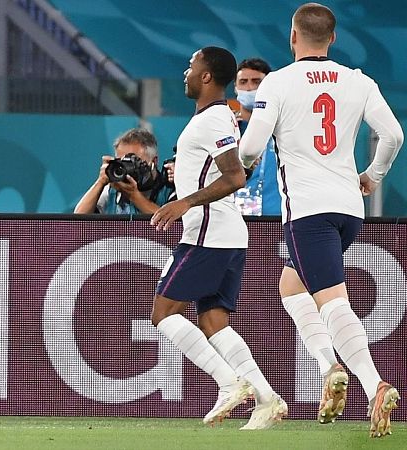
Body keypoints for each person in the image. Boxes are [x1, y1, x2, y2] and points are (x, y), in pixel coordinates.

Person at [238, 3, 403, 438]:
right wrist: (372, 175)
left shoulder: (278, 82)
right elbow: (394, 135)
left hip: (307, 213)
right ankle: (328, 367)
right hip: (349, 209)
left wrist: (239, 162)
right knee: (291, 286)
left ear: (293, 38)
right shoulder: (358, 80)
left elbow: (251, 146)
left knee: (332, 301)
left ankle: (373, 384)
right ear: (332, 39)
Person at [150, 46, 287, 430]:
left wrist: (184, 202)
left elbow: (234, 177)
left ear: (207, 76)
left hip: (209, 232)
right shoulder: (217, 117)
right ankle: (267, 398)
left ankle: (229, 383)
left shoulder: (212, 119)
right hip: (225, 232)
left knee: (163, 313)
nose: (186, 72)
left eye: (192, 66)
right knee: (213, 320)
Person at [74, 128, 174, 215]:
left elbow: (173, 227)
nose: (127, 167)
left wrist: (133, 196)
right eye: (122, 162)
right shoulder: (112, 189)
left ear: (154, 161)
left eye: (134, 160)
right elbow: (78, 221)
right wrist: (100, 182)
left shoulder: (169, 188)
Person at [233, 58, 281, 216]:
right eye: (243, 82)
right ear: (235, 88)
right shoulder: (227, 128)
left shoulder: (283, 129)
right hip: (233, 220)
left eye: (256, 82)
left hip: (277, 221)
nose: (249, 88)